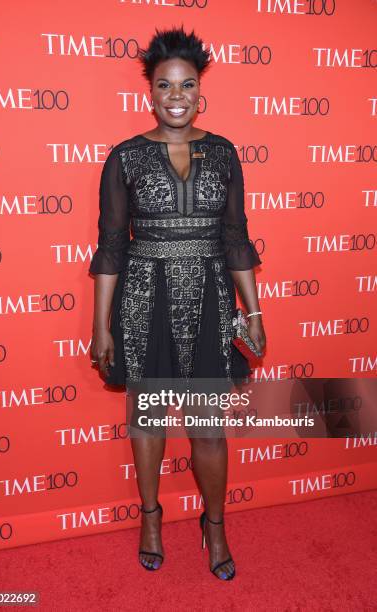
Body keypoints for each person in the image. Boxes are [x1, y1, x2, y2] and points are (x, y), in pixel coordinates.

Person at [89, 25, 266, 581]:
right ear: (150, 92)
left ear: (199, 91)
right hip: (144, 299)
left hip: (213, 300)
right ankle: (150, 519)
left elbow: (236, 236)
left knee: (208, 426)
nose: (176, 96)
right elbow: (113, 245)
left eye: (186, 85)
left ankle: (214, 526)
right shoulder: (125, 158)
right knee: (148, 420)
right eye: (165, 86)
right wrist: (101, 326)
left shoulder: (225, 152)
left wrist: (254, 312)